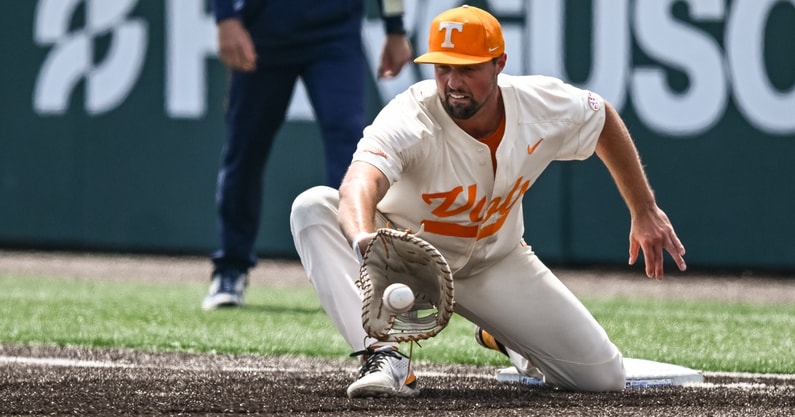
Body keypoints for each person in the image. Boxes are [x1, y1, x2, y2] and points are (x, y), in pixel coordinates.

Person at [290, 5, 688, 398]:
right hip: (402, 258)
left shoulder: (537, 105)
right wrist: (365, 242)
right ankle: (384, 354)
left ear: (499, 63)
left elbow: (601, 118)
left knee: (603, 378)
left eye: (468, 68)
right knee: (313, 207)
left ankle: (504, 336)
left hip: (495, 264)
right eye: (443, 68)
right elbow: (359, 183)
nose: (453, 82)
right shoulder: (411, 117)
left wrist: (644, 210)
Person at [202, 0, 413, 310]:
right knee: (244, 149)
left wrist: (395, 29)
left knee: (351, 150)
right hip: (264, 30)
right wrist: (226, 19)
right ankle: (230, 268)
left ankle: (358, 267)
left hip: (335, 30)